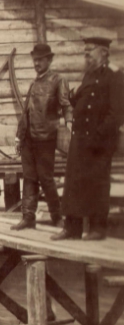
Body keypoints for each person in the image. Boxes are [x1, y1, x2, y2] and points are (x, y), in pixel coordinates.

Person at [53, 36, 124, 241]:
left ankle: (97, 228)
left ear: (103, 52)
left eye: (90, 50)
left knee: (97, 184)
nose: (86, 54)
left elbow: (117, 113)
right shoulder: (89, 75)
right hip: (81, 138)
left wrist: (99, 135)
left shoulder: (115, 76)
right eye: (85, 50)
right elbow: (80, 99)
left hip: (100, 141)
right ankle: (72, 228)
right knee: (74, 182)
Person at [11, 43, 73, 230]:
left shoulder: (58, 80)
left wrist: (69, 123)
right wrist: (19, 137)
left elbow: (66, 104)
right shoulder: (34, 83)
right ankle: (28, 217)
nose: (36, 63)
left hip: (46, 138)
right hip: (28, 139)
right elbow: (26, 113)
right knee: (29, 177)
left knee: (46, 178)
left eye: (40, 60)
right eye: (35, 60)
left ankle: (57, 217)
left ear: (49, 60)